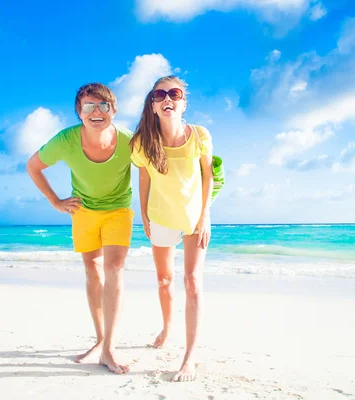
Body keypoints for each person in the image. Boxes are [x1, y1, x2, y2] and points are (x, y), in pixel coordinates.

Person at [26, 83, 133, 374]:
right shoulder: (65, 140)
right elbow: (33, 166)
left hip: (118, 210)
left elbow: (152, 169)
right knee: (93, 272)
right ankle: (100, 339)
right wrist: (56, 202)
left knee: (114, 269)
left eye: (103, 106)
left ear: (114, 110)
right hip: (83, 211)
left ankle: (109, 348)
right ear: (79, 112)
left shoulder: (129, 140)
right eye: (89, 106)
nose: (96, 112)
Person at [130, 75, 214, 382]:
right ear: (152, 105)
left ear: (183, 103)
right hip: (161, 215)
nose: (168, 98)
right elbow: (144, 179)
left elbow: (208, 177)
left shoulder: (199, 135)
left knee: (192, 281)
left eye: (174, 94)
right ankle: (167, 327)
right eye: (160, 94)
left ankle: (189, 358)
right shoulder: (142, 142)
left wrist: (205, 215)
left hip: (194, 217)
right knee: (165, 280)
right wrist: (144, 215)